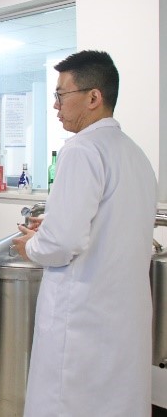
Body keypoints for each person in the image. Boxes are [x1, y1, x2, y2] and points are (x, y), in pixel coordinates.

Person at [12, 50, 157, 417]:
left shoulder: (81, 150)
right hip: (122, 316)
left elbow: (63, 243)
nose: (56, 106)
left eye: (62, 95)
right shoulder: (135, 154)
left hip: (82, 316)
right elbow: (109, 222)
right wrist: (55, 222)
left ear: (94, 97)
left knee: (67, 402)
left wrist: (32, 246)